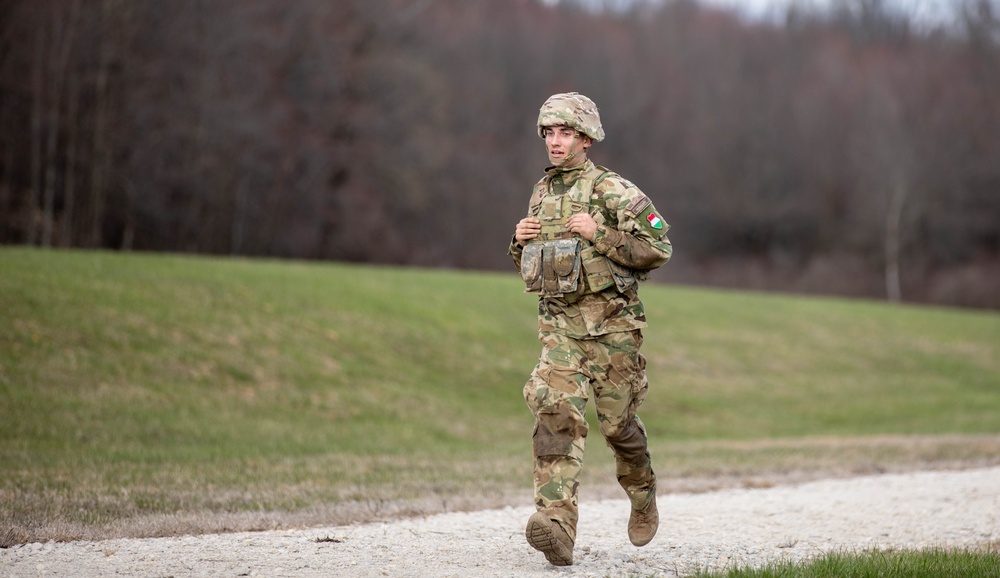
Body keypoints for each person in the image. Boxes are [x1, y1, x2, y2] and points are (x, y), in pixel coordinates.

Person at [508, 92, 672, 567]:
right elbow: (536, 266)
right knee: (556, 415)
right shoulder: (542, 193)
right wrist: (518, 243)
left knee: (618, 427)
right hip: (560, 331)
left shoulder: (612, 190)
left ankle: (643, 495)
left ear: (585, 138)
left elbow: (658, 247)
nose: (554, 143)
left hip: (613, 333)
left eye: (564, 133)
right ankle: (557, 526)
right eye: (549, 134)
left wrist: (598, 233)